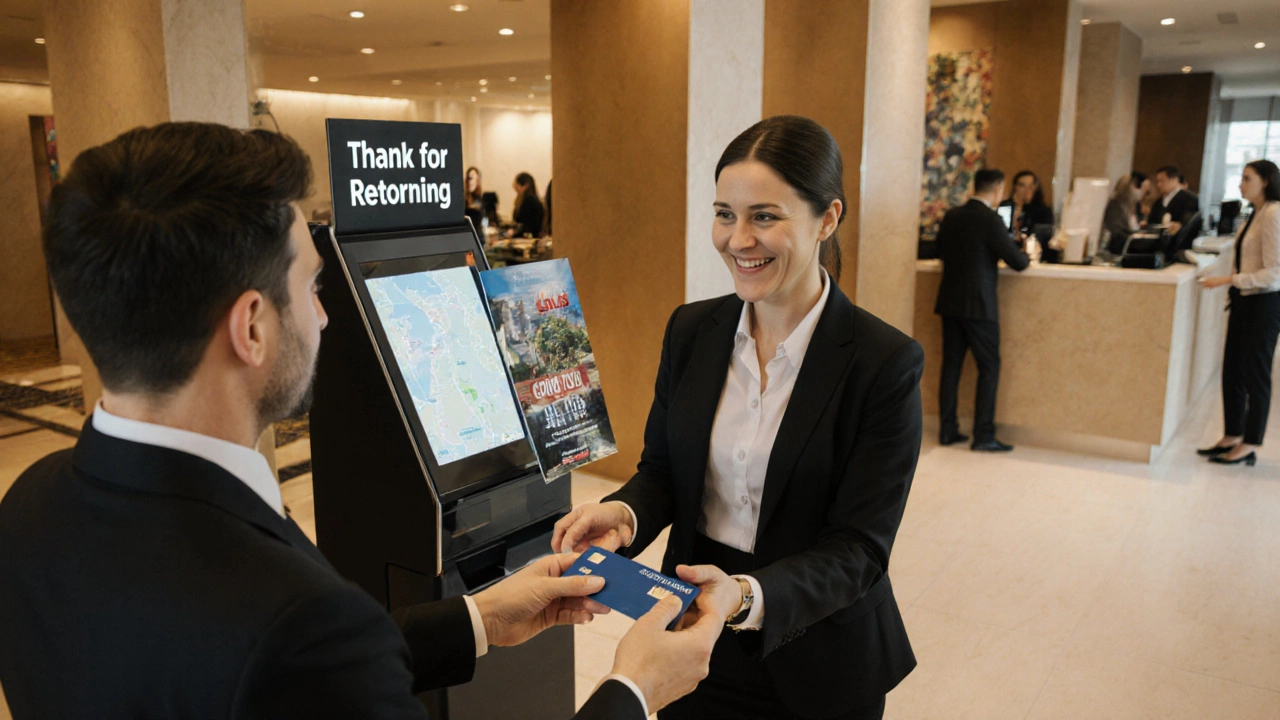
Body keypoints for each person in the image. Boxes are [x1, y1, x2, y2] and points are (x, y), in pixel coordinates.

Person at [0, 123, 723, 720]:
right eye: (311, 287)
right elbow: (300, 654)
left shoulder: (29, 508)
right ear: (251, 327)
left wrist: (481, 619)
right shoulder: (297, 620)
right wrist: (633, 689)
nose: (323, 315)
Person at [552, 115, 922, 720]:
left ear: (827, 219)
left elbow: (859, 548)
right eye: (725, 214)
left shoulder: (885, 363)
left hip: (819, 649)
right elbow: (666, 472)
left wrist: (745, 595)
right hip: (690, 631)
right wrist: (622, 513)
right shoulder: (692, 330)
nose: (738, 239)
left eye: (765, 216)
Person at [934, 168, 1031, 452]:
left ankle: (947, 430)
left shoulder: (952, 216)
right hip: (979, 305)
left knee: (951, 366)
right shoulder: (990, 220)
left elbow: (940, 249)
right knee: (989, 367)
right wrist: (1023, 250)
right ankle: (984, 435)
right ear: (998, 188)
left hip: (950, 301)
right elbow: (1018, 262)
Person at [1197, 159, 1280, 467]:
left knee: (1256, 375)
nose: (1240, 184)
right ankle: (1233, 433)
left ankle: (1251, 441)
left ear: (1266, 181)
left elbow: (1274, 272)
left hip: (1264, 304)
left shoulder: (1273, 214)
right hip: (1245, 301)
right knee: (1233, 370)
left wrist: (1229, 280)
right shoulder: (1254, 214)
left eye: (1247, 178)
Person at [999, 170, 1056, 262]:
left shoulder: (1044, 211)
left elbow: (1043, 235)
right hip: (1008, 254)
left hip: (1035, 256)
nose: (1027, 190)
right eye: (1022, 185)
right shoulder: (1005, 207)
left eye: (1031, 186)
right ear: (1015, 187)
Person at [1103, 172, 1147, 254]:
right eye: (1135, 187)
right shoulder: (1115, 204)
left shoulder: (1130, 207)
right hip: (1119, 248)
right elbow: (1117, 229)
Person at [1146, 165, 1200, 231]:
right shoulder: (1158, 201)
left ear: (1174, 180)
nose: (1158, 185)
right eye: (1157, 181)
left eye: (1162, 181)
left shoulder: (1189, 199)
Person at [506, 171, 545, 238]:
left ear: (525, 186)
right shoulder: (531, 199)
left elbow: (525, 224)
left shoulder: (529, 201)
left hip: (528, 237)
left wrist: (513, 232)